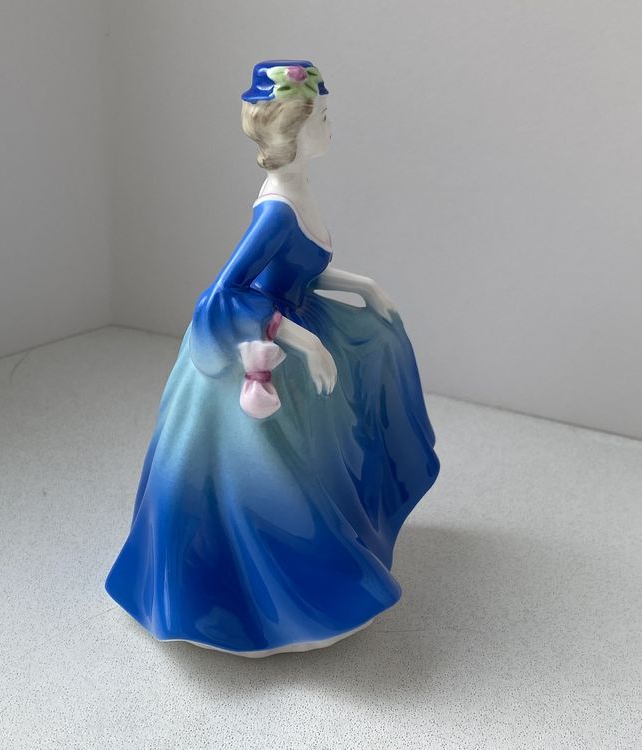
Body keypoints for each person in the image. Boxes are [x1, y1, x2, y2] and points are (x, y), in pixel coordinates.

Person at [105, 60, 440, 657]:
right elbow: (224, 295)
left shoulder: (298, 194)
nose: (330, 126)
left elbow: (297, 270)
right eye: (323, 117)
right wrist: (303, 341)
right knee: (269, 484)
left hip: (294, 322)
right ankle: (276, 604)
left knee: (374, 355)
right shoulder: (277, 209)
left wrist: (363, 288)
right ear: (296, 128)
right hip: (265, 345)